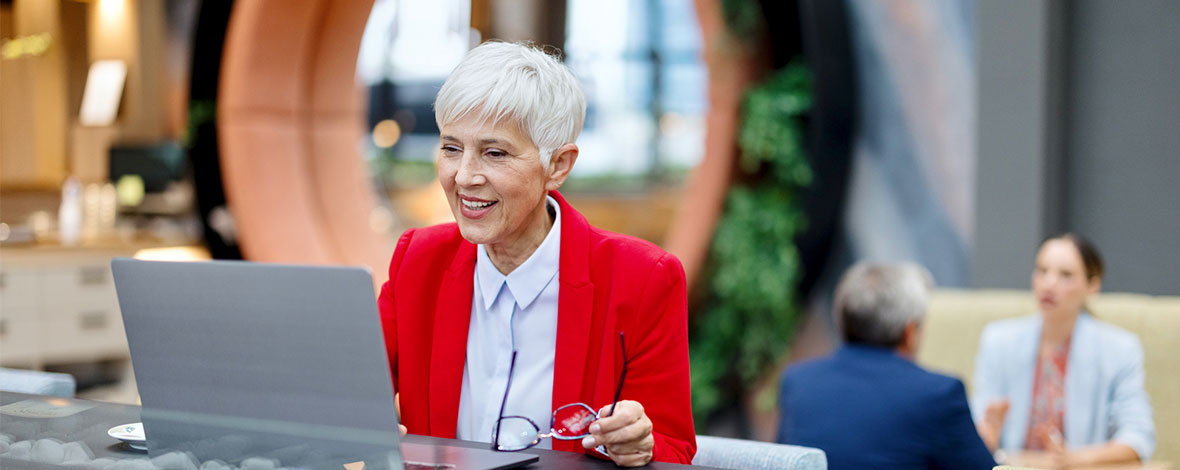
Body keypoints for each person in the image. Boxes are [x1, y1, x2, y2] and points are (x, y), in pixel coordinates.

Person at [376, 41, 695, 466]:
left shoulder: (643, 278)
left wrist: (641, 444)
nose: (464, 176)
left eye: (494, 153)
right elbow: (350, 397)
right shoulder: (418, 260)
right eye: (451, 148)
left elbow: (674, 448)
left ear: (558, 166)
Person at [776, 262, 995, 470]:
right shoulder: (938, 394)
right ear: (909, 332)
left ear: (841, 320)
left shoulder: (798, 382)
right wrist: (988, 441)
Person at [972, 234, 1155, 468]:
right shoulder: (998, 340)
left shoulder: (1120, 349)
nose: (1049, 284)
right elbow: (980, 422)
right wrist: (986, 433)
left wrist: (1074, 459)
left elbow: (1138, 438)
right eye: (1042, 271)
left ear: (1093, 285)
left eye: (1065, 275)